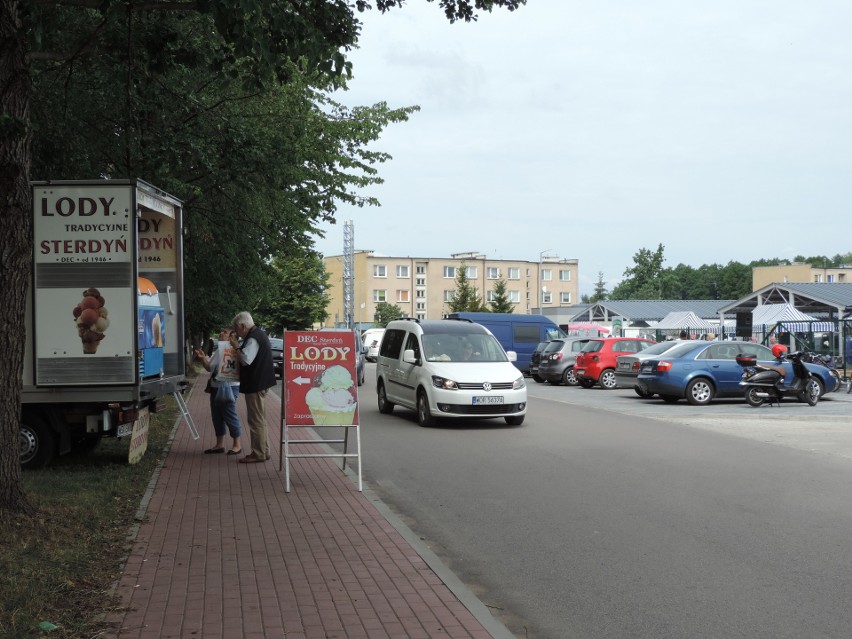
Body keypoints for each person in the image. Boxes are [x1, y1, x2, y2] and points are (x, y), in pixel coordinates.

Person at [230, 312, 276, 463]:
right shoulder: (259, 335)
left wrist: (236, 347)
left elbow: (245, 360)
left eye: (236, 329)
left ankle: (258, 453)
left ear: (243, 326)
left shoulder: (253, 338)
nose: (236, 333)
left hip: (256, 384)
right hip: (261, 382)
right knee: (260, 420)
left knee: (255, 420)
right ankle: (264, 451)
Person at [194, 329, 242, 455]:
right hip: (217, 386)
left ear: (232, 337)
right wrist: (203, 358)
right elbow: (210, 367)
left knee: (229, 414)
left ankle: (237, 444)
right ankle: (219, 444)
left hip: (229, 386)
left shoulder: (232, 350)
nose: (221, 334)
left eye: (225, 333)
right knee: (217, 416)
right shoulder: (221, 350)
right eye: (221, 333)